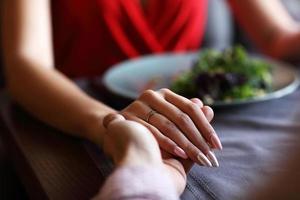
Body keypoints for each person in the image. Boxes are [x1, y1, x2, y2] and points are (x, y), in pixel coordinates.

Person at [2, 0, 300, 198]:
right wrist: (111, 124)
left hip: (193, 122)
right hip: (75, 122)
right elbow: (26, 64)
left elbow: (276, 36)